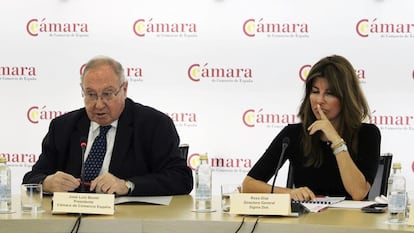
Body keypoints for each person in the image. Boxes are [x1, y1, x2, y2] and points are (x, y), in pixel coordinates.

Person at [23, 56, 193, 196]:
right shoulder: (62, 127)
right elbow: (32, 178)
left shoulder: (154, 124)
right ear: (82, 91)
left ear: (124, 89)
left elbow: (181, 178)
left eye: (107, 94)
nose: (98, 104)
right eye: (91, 94)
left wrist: (127, 185)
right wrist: (47, 183)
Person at [242, 55, 381, 201]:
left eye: (329, 93)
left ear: (346, 97)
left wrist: (335, 139)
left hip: (350, 222)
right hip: (306, 221)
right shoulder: (293, 134)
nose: (320, 101)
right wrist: (289, 193)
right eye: (315, 92)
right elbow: (248, 185)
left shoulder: (368, 134)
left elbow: (358, 193)